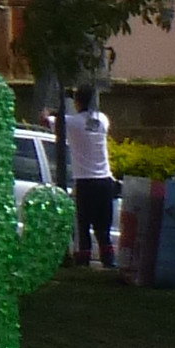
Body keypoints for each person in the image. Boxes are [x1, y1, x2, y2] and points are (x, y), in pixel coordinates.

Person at [68, 83, 118, 268]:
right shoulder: (103, 120)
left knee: (83, 225)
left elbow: (47, 120)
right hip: (105, 180)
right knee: (102, 226)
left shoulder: (72, 122)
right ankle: (108, 260)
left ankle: (83, 259)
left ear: (77, 101)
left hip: (85, 181)